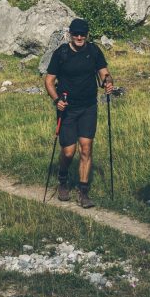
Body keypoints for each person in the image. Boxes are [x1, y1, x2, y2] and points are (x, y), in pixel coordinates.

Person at [44, 17, 114, 208]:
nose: (79, 37)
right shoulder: (61, 53)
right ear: (70, 34)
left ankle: (83, 192)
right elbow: (49, 81)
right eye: (76, 33)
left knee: (86, 147)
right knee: (68, 152)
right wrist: (57, 100)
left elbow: (104, 73)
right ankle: (63, 180)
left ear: (87, 34)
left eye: (83, 33)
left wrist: (108, 83)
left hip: (89, 106)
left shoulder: (93, 51)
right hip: (67, 108)